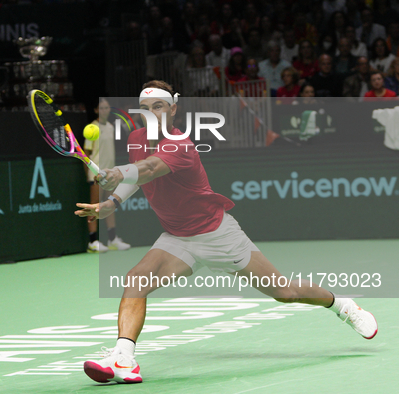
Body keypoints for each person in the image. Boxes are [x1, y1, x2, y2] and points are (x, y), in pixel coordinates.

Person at [75, 80, 378, 384]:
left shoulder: (180, 144)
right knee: (135, 281)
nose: (151, 113)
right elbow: (138, 174)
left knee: (285, 292)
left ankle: (343, 306)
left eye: (158, 106)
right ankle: (124, 359)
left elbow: (150, 168)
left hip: (216, 234)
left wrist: (116, 173)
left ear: (173, 109)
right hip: (177, 237)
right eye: (145, 108)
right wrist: (113, 201)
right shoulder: (137, 137)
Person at [83, 98, 131, 253]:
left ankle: (112, 239)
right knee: (95, 206)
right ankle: (93, 242)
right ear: (96, 110)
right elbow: (86, 154)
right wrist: (89, 174)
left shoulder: (110, 127)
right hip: (96, 175)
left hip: (110, 174)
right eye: (101, 108)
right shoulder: (91, 128)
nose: (105, 110)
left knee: (110, 205)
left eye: (107, 107)